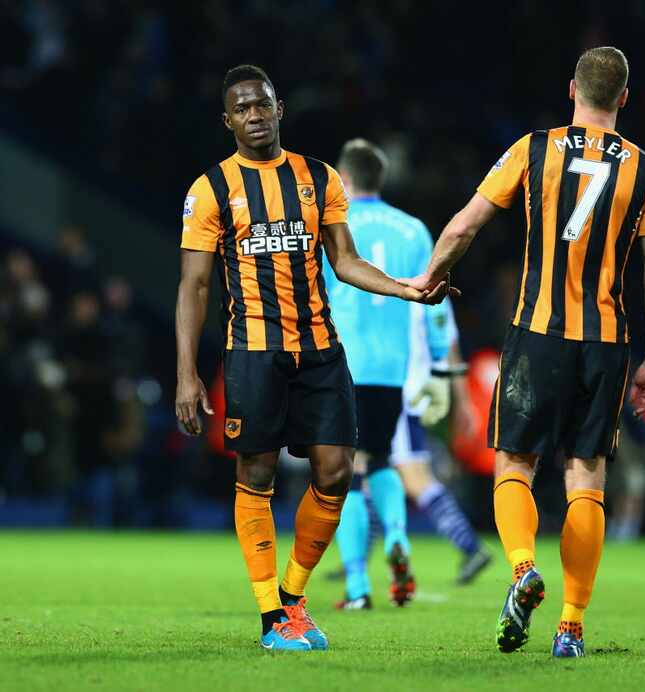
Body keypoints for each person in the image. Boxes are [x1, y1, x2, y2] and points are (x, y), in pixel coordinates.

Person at [401, 47, 645, 658]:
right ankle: (571, 626)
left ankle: (523, 567)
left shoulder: (532, 149)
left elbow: (464, 225)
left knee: (515, 466)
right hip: (606, 341)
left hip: (536, 333)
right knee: (586, 480)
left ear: (571, 90)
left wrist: (429, 278)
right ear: (624, 98)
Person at [174, 66, 451, 653]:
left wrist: (407, 288)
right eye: (242, 109)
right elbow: (194, 287)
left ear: (280, 109)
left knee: (335, 471)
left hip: (322, 349)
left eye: (262, 105)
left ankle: (293, 598)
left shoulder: (318, 177)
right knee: (258, 475)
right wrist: (186, 373)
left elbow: (345, 261)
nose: (254, 116)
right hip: (252, 351)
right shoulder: (210, 191)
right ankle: (271, 615)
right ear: (228, 121)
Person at [326, 138, 452, 609]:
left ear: (344, 177)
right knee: (379, 460)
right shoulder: (414, 230)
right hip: (392, 369)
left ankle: (358, 586)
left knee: (341, 474)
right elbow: (437, 303)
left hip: (342, 364)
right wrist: (442, 366)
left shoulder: (334, 224)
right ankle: (399, 535)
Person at [391, 303, 492, 585]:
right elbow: (450, 345)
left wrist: (464, 403)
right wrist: (462, 401)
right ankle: (357, 562)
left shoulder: (393, 280)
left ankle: (471, 546)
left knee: (414, 478)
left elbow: (447, 344)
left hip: (400, 392)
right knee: (371, 471)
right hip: (414, 392)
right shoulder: (436, 293)